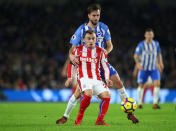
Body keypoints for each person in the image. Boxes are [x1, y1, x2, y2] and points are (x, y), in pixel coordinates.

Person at [56, 3, 139, 124]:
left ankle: (130, 113)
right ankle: (65, 116)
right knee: (78, 93)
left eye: (98, 15)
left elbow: (110, 46)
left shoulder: (104, 28)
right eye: (94, 15)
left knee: (119, 82)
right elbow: (72, 48)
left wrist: (105, 52)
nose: (96, 18)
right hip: (86, 65)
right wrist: (71, 55)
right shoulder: (81, 29)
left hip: (100, 61)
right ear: (89, 15)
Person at [134, 28, 164, 109]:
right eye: (148, 34)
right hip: (144, 68)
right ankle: (139, 103)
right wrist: (138, 64)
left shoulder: (156, 44)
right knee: (141, 85)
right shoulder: (141, 45)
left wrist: (161, 63)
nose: (149, 36)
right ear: (145, 35)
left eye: (151, 34)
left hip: (154, 68)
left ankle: (155, 103)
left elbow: (159, 54)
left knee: (157, 83)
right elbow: (136, 55)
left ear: (153, 35)